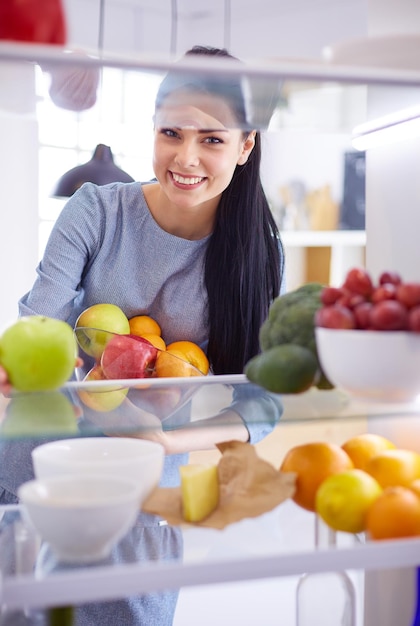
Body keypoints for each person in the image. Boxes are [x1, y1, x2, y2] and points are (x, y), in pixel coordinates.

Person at [0, 45, 286, 624]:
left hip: (143, 486)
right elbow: (40, 329)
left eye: (212, 139)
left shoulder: (254, 254)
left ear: (246, 144)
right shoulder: (95, 213)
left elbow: (264, 400)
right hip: (40, 470)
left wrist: (165, 443)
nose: (186, 157)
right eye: (171, 133)